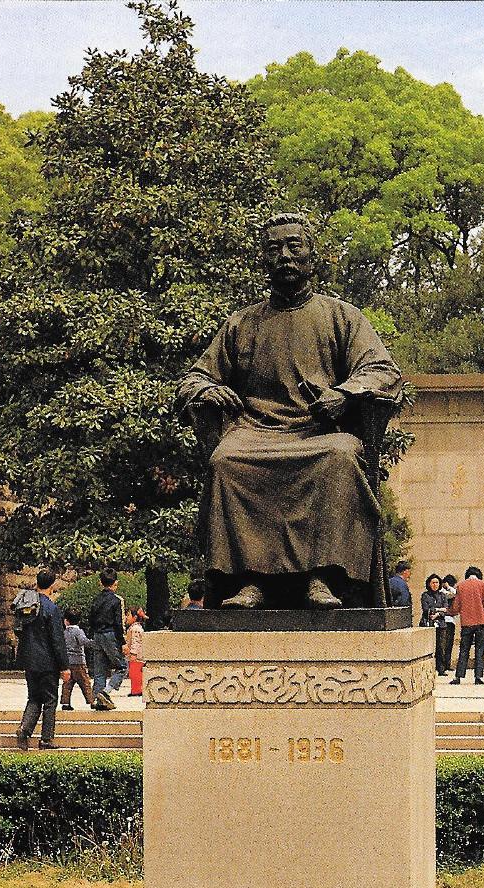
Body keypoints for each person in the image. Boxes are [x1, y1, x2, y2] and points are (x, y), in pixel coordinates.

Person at [176, 212, 403, 610]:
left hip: (320, 431)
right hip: (256, 431)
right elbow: (192, 379)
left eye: (294, 246)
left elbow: (382, 371)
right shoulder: (242, 323)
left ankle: (321, 578)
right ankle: (250, 581)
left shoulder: (341, 316)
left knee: (339, 457)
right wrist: (209, 389)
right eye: (274, 248)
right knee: (225, 461)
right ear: (263, 261)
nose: (284, 255)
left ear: (312, 257)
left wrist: (346, 393)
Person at [15, 571, 70, 750]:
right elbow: (57, 639)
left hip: (28, 659)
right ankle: (46, 739)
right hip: (47, 661)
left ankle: (25, 729)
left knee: (33, 697)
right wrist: (64, 665)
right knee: (50, 699)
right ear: (52, 586)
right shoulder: (51, 608)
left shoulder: (27, 605)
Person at [89, 568, 128, 709]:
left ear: (100, 583)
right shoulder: (117, 600)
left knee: (100, 670)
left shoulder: (96, 599)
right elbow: (119, 623)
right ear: (115, 583)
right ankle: (106, 692)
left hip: (97, 635)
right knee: (122, 666)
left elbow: (91, 620)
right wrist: (123, 642)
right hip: (110, 634)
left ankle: (98, 699)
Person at [449, 566, 484, 686]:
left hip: (467, 622)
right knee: (479, 649)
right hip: (481, 622)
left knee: (464, 650)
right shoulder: (483, 585)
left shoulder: (461, 586)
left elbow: (456, 607)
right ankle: (478, 676)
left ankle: (458, 676)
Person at [60, 611, 94, 710]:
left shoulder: (64, 633)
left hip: (68, 662)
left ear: (66, 621)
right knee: (85, 682)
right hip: (79, 661)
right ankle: (91, 700)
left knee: (67, 683)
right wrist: (93, 643)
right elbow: (83, 641)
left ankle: (65, 703)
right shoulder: (78, 631)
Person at [419, 573, 449, 675]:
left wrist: (437, 613)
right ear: (429, 584)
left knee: (441, 647)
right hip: (428, 624)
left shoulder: (443, 596)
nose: (435, 585)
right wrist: (438, 610)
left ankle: (441, 668)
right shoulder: (425, 595)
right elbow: (426, 608)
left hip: (441, 624)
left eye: (437, 582)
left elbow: (446, 609)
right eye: (433, 583)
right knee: (428, 647)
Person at [440, 574, 457, 672]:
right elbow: (454, 593)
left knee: (449, 644)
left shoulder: (448, 591)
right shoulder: (442, 592)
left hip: (450, 620)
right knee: (444, 644)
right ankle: (443, 665)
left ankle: (447, 663)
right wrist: (447, 586)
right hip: (444, 619)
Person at [125, 608, 145, 696]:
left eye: (128, 615)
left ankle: (137, 690)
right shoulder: (135, 628)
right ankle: (135, 689)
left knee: (135, 673)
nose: (126, 617)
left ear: (135, 617)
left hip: (137, 655)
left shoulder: (135, 629)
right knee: (134, 673)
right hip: (136, 655)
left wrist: (133, 653)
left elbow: (135, 642)